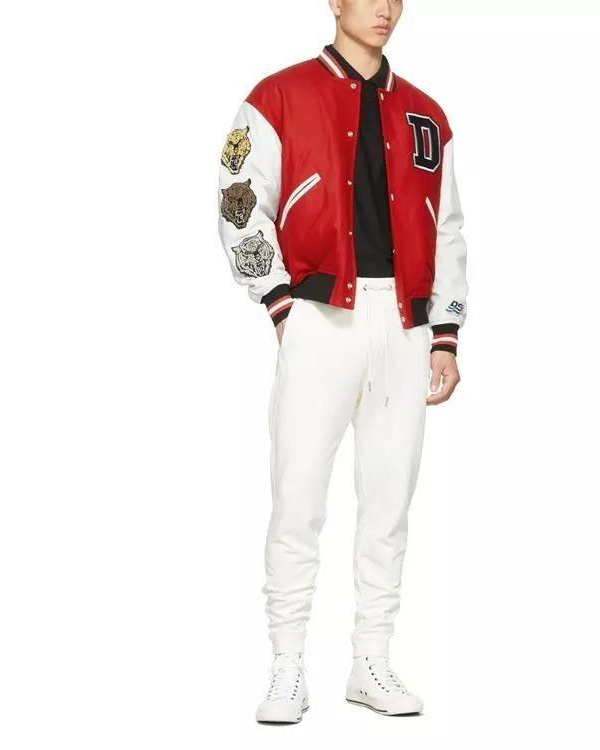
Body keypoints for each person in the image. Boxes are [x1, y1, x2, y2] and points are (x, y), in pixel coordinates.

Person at [217, 0, 468, 723]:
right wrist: (278, 301)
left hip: (405, 326)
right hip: (318, 318)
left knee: (389, 503)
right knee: (297, 498)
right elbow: (237, 202)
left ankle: (371, 662)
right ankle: (287, 665)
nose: (386, 9)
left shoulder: (426, 114)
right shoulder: (277, 97)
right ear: (334, 1)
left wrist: (445, 332)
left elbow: (449, 230)